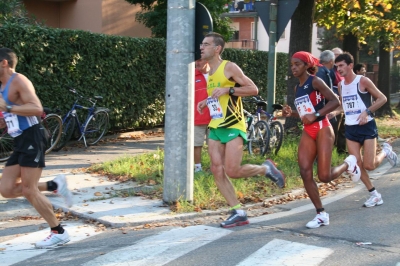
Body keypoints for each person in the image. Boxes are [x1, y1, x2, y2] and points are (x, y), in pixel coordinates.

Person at [197, 32, 285, 228]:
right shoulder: (209, 71)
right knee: (216, 169)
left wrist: (230, 90)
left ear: (217, 48)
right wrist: (207, 101)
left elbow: (253, 89)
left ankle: (265, 169)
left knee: (233, 170)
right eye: (202, 44)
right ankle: (238, 212)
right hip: (216, 125)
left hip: (233, 124)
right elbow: (219, 96)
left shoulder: (229, 67)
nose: (201, 47)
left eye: (206, 44)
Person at [0, 48, 73, 248]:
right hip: (20, 140)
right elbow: (10, 116)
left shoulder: (18, 80)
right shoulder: (2, 87)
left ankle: (59, 231)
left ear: (4, 63)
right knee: (6, 189)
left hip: (32, 136)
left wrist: (6, 108)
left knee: (29, 189)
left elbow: (37, 108)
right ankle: (54, 186)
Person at [282, 51, 362, 229]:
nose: (293, 67)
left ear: (306, 66)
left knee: (324, 176)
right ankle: (321, 214)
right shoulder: (298, 87)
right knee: (304, 171)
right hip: (309, 130)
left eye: (297, 64)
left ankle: (349, 164)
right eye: (291, 64)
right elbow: (306, 114)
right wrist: (292, 114)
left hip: (323, 129)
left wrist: (317, 114)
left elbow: (335, 100)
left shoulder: (315, 81)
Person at [335, 52, 398, 207]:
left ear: (350, 65)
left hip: (367, 127)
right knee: (357, 164)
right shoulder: (340, 85)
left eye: (341, 65)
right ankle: (374, 195)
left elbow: (382, 98)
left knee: (369, 165)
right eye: (337, 66)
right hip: (350, 129)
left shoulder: (362, 81)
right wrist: (334, 111)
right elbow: (344, 106)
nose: (339, 69)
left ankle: (386, 151)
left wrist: (367, 111)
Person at [194, 59, 211, 172]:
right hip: (197, 117)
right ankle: (198, 168)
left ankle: (215, 167)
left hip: (215, 118)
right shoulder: (192, 75)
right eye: (196, 60)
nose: (197, 62)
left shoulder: (215, 74)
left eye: (199, 60)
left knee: (214, 145)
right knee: (196, 144)